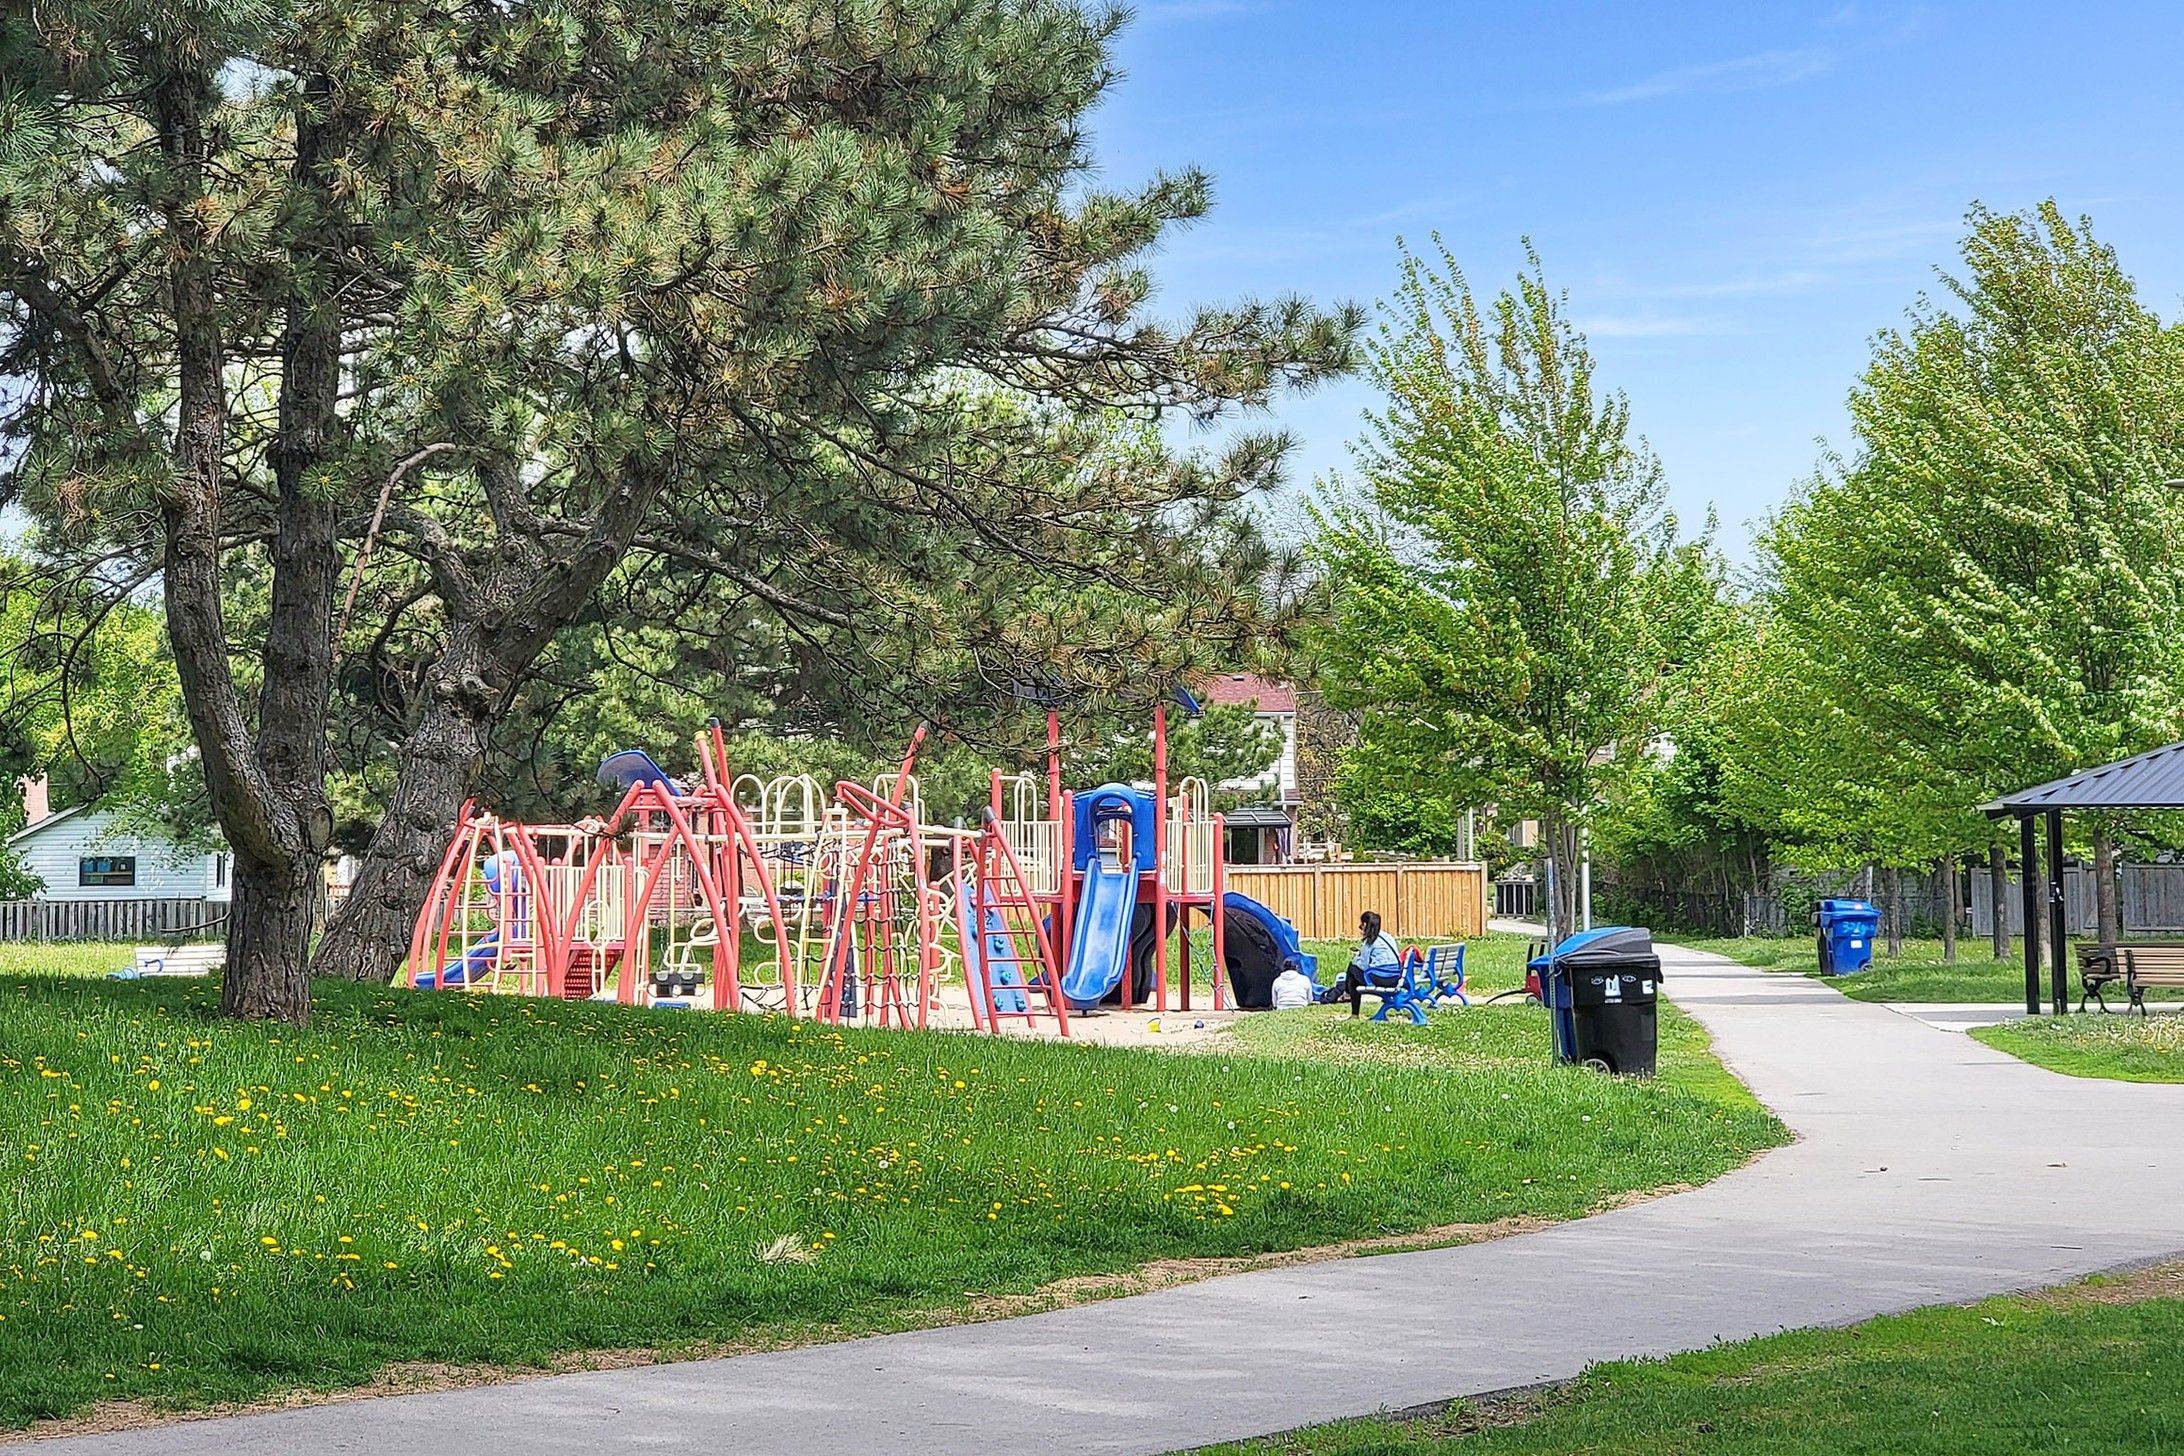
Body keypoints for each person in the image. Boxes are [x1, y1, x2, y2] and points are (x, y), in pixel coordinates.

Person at [1324, 910, 1402, 1017]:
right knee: (1353, 971)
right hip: (1395, 977)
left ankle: (1353, 1009)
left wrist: (1356, 958)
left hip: (1380, 978)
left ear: (1365, 925)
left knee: (1352, 969)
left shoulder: (1370, 941)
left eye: (1361, 926)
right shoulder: (1388, 937)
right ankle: (1347, 993)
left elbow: (1363, 966)